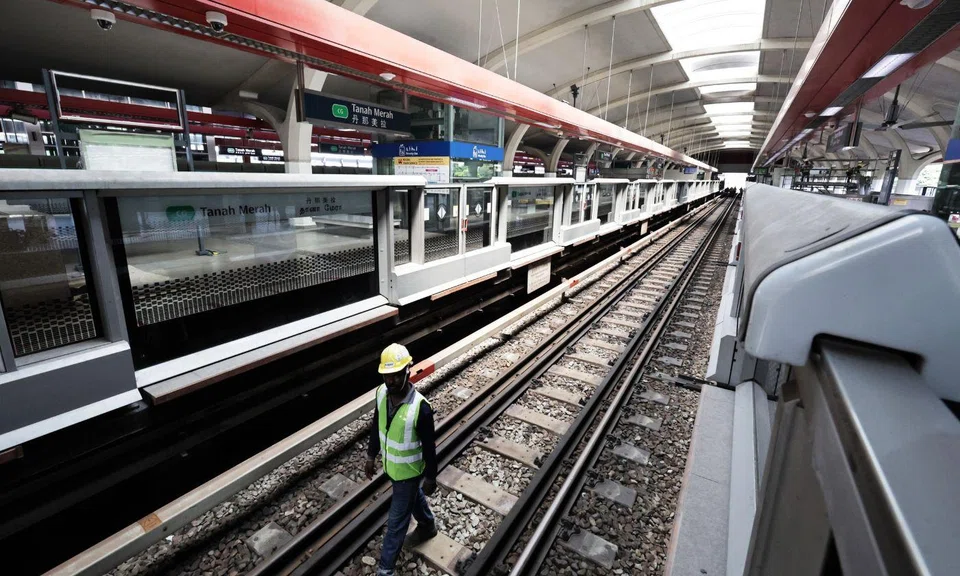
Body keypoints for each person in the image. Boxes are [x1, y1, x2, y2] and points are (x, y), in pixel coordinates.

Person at [365, 343, 438, 576]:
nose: (392, 381)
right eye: (388, 376)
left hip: (409, 472)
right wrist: (370, 454)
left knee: (396, 524)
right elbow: (377, 425)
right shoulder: (381, 394)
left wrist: (430, 476)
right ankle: (427, 526)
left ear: (408, 370)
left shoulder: (421, 408)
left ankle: (385, 570)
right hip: (393, 469)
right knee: (411, 499)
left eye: (397, 375)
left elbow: (429, 447)